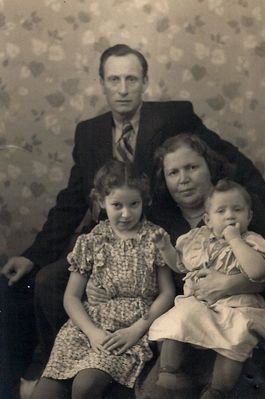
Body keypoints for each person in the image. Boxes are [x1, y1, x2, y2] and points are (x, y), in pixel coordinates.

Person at [1, 44, 265, 398]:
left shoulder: (173, 118)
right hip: (107, 240)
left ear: (144, 82)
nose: (122, 88)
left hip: (149, 237)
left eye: (131, 79)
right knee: (46, 281)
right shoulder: (88, 132)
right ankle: (47, 363)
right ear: (102, 83)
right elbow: (72, 199)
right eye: (114, 80)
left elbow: (224, 156)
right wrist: (33, 253)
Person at [134, 133, 265, 399]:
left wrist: (232, 282)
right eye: (173, 172)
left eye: (192, 167)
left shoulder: (239, 206)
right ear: (165, 179)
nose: (184, 179)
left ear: (209, 167)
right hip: (189, 321)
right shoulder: (161, 219)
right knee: (158, 390)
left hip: (240, 314)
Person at [31, 160, 175, 399]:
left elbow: (167, 293)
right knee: (44, 394)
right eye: (117, 205)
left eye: (134, 204)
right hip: (87, 328)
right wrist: (91, 331)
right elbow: (72, 297)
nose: (126, 213)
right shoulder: (92, 240)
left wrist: (137, 330)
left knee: (85, 387)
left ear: (144, 202)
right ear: (101, 202)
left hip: (127, 331)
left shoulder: (154, 238)